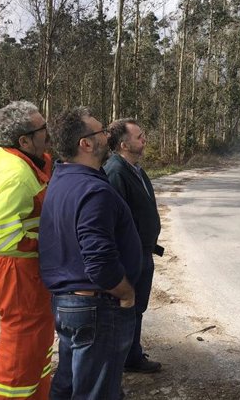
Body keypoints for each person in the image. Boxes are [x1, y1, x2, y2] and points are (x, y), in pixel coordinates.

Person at [39, 107, 142, 400]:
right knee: (97, 392)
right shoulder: (94, 191)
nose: (107, 137)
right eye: (101, 133)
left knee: (69, 385)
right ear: (86, 143)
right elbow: (99, 260)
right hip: (96, 307)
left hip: (69, 305)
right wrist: (125, 292)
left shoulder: (61, 179)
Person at [0, 100, 54, 400]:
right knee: (18, 362)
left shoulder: (2, 157)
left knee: (38, 350)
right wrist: (49, 244)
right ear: (24, 140)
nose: (48, 133)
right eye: (42, 128)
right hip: (19, 274)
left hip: (27, 272)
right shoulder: (17, 175)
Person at [104, 119, 162, 373]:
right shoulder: (116, 171)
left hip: (142, 253)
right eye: (139, 136)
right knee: (126, 309)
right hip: (131, 257)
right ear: (124, 144)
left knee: (137, 307)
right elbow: (116, 221)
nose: (144, 139)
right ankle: (124, 360)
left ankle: (130, 355)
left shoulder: (134, 168)